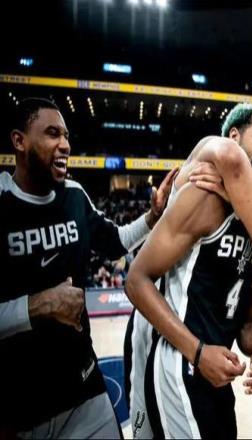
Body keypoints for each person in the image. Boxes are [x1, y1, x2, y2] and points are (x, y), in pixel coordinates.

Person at [0, 97, 176, 438]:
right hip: (16, 406)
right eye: (52, 133)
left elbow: (117, 241)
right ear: (19, 141)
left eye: (66, 135)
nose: (65, 145)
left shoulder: (75, 196)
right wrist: (35, 306)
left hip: (83, 389)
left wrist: (153, 216)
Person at [125, 126, 252, 438]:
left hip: (216, 379)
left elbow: (246, 324)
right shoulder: (206, 196)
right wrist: (197, 353)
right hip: (180, 368)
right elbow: (136, 281)